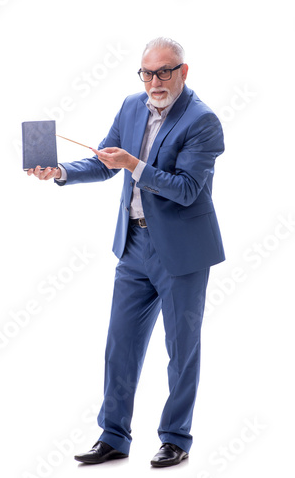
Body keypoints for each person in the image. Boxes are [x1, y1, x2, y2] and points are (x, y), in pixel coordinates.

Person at [27, 37, 225, 468]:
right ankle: (113, 435)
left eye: (165, 71)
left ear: (183, 71)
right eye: (147, 72)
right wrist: (60, 171)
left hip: (183, 253)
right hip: (133, 245)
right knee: (121, 344)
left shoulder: (203, 121)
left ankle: (176, 438)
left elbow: (189, 190)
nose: (155, 81)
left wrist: (134, 165)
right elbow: (103, 161)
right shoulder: (131, 107)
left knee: (181, 347)